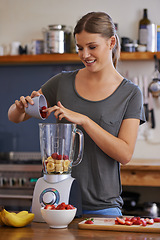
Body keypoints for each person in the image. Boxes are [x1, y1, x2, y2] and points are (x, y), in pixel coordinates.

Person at [8, 11, 145, 216]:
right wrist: (20, 108)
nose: (85, 55)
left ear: (111, 42)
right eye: (80, 48)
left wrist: (85, 121)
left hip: (102, 206)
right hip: (55, 202)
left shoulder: (130, 93)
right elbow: (15, 117)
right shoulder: (62, 82)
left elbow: (124, 154)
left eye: (92, 47)